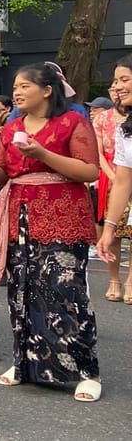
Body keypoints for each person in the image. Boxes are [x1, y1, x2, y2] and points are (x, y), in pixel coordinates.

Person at [0, 62, 101, 402]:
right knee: (21, 291)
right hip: (18, 215)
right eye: (15, 87)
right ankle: (25, 363)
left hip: (62, 214)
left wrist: (42, 153)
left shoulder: (72, 122)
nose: (17, 92)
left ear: (47, 90)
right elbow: (6, 175)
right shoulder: (11, 127)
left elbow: (88, 169)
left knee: (66, 292)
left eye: (24, 86)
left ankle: (85, 370)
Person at [93, 82, 132, 300]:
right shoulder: (104, 119)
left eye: (123, 80)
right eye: (114, 84)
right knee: (114, 234)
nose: (118, 88)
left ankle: (131, 280)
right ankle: (114, 279)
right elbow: (98, 153)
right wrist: (115, 177)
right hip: (111, 178)